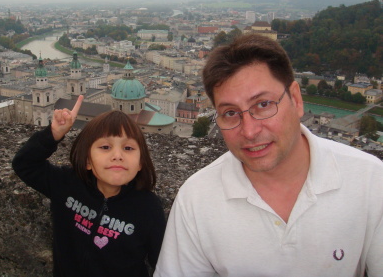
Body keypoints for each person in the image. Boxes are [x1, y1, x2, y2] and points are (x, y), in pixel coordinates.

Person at [154, 34, 383, 277]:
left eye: (263, 105)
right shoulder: (196, 198)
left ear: (296, 100)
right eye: (230, 112)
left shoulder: (369, 180)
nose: (249, 131)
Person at [12, 95, 166, 277]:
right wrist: (54, 133)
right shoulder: (67, 184)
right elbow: (24, 164)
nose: (117, 155)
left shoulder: (148, 208)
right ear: (87, 161)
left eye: (128, 148)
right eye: (105, 147)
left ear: (140, 163)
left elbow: (163, 263)